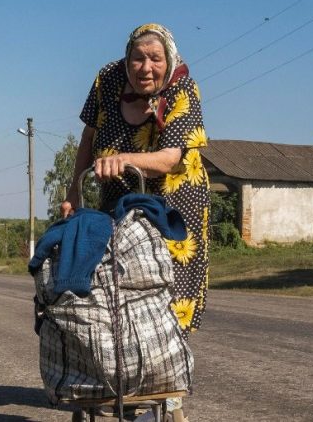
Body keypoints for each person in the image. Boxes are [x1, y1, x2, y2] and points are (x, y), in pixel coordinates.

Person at [61, 23, 210, 333]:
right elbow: (89, 135)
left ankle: (166, 363)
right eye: (138, 59)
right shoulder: (108, 79)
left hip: (172, 203)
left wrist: (123, 160)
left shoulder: (183, 88)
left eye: (155, 58)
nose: (146, 68)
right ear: (126, 59)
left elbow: (170, 159)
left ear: (168, 60)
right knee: (114, 283)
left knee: (166, 289)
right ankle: (121, 360)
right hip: (117, 199)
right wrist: (74, 192)